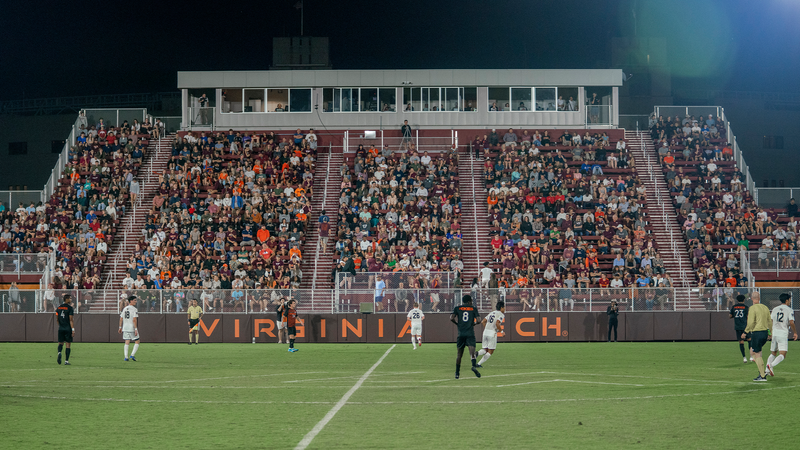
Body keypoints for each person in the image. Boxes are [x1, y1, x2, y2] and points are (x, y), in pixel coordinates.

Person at [766, 293, 798, 377]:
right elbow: (791, 322)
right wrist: (795, 332)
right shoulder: (789, 310)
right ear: (787, 300)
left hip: (774, 333)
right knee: (783, 354)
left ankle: (767, 370)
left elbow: (770, 321)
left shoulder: (775, 309)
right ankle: (771, 365)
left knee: (773, 353)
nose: (790, 301)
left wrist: (769, 332)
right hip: (782, 333)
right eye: (790, 300)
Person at [450, 294, 481, 379]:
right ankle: (474, 366)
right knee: (472, 353)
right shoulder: (473, 309)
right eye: (471, 301)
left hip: (461, 334)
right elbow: (479, 320)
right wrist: (473, 324)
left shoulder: (457, 308)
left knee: (459, 355)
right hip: (470, 333)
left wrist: (457, 324)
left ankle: (457, 373)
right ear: (469, 301)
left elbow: (451, 318)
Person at [743, 292, 771, 381]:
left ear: (752, 298)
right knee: (753, 351)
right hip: (764, 332)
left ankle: (762, 375)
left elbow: (750, 322)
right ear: (759, 298)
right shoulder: (765, 307)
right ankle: (761, 370)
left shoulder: (752, 308)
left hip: (757, 332)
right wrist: (770, 333)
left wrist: (745, 332)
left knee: (757, 353)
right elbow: (770, 321)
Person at [477, 301, 505, 367]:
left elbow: (483, 321)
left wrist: (487, 328)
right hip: (492, 333)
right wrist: (501, 332)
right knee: (490, 351)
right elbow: (497, 323)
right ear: (501, 308)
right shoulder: (501, 314)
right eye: (504, 307)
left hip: (485, 332)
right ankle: (478, 364)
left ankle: (477, 353)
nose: (504, 309)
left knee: (485, 350)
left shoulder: (491, 313)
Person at [729, 294, 751, 363]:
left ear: (737, 300)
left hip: (738, 326)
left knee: (741, 342)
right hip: (745, 326)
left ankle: (744, 357)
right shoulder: (746, 307)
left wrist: (735, 316)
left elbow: (730, 316)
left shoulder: (734, 307)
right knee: (749, 340)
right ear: (744, 300)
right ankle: (751, 356)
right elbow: (748, 316)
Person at [119, 295, 141, 362]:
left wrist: (120, 327)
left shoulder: (125, 308)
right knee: (137, 341)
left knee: (127, 342)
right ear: (131, 301)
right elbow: (134, 319)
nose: (136, 301)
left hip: (125, 327)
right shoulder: (134, 309)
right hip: (131, 327)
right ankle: (132, 354)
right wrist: (136, 329)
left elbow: (121, 318)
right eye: (135, 300)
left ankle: (126, 357)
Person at [55, 294, 75, 365]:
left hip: (61, 328)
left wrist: (60, 325)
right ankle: (66, 361)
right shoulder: (70, 308)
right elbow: (71, 320)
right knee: (68, 344)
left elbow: (57, 319)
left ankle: (59, 352)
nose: (71, 299)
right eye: (70, 298)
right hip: (68, 328)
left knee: (60, 343)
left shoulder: (58, 308)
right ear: (66, 299)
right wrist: (73, 329)